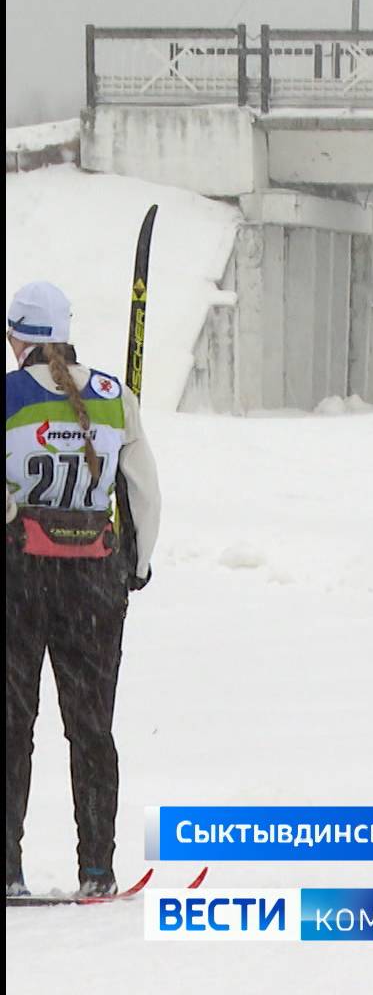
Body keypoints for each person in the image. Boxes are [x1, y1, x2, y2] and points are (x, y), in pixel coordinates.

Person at [5, 281, 161, 898]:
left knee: (14, 725)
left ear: (21, 339)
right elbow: (143, 489)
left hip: (20, 580)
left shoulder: (9, 396)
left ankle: (9, 870)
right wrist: (139, 563)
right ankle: (97, 869)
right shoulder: (114, 397)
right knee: (91, 728)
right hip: (95, 586)